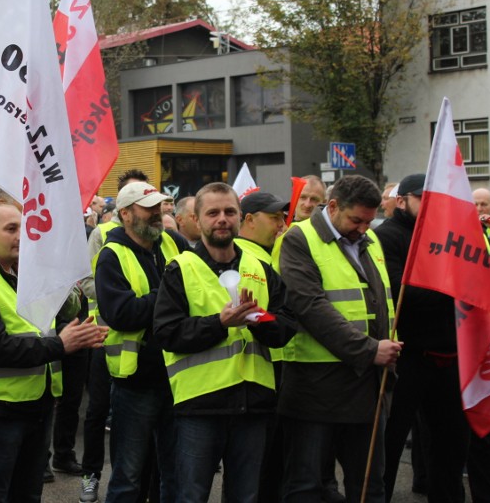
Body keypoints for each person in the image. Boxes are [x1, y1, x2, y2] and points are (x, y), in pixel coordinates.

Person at [0, 202, 107, 502]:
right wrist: (61, 344)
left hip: (36, 405)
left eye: (24, 228)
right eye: (11, 229)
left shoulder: (21, 278)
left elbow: (38, 332)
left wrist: (75, 336)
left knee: (27, 495)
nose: (21, 236)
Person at [153, 182, 294, 503]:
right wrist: (219, 323)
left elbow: (286, 326)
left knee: (246, 496)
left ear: (240, 217)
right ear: (198, 220)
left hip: (254, 405)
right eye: (213, 212)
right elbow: (167, 333)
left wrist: (258, 319)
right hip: (200, 406)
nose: (222, 219)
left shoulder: (259, 268)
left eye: (230, 212)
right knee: (192, 496)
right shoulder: (181, 269)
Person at [274, 174, 401, 502]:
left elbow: (381, 304)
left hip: (369, 385)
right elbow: (309, 306)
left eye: (370, 221)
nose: (363, 228)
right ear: (332, 206)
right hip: (316, 388)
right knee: (307, 487)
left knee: (370, 489)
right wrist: (370, 349)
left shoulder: (370, 242)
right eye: (356, 219)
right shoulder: (298, 238)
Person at [376, 173, 469, 502]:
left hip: (447, 355)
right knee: (391, 442)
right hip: (407, 356)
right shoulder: (387, 236)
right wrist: (451, 287)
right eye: (422, 198)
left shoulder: (445, 235)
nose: (431, 205)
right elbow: (402, 291)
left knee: (451, 442)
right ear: (401, 201)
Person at [94, 182, 187, 503]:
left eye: (159, 206)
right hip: (135, 382)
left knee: (175, 474)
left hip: (177, 373)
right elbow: (122, 314)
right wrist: (170, 296)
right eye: (148, 207)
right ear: (125, 214)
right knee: (128, 477)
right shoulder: (112, 254)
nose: (158, 213)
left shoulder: (171, 243)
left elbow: (199, 284)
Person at [77, 168, 150, 503]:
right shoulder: (103, 235)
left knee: (130, 428)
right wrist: (115, 295)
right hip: (102, 335)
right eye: (136, 196)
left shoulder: (158, 237)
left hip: (142, 350)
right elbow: (87, 280)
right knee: (97, 411)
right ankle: (91, 474)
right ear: (122, 204)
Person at [235, 191, 290, 502]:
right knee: (255, 471)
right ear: (250, 220)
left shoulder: (263, 256)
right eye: (274, 218)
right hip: (255, 376)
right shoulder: (249, 260)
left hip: (265, 372)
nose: (281, 225)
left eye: (282, 218)